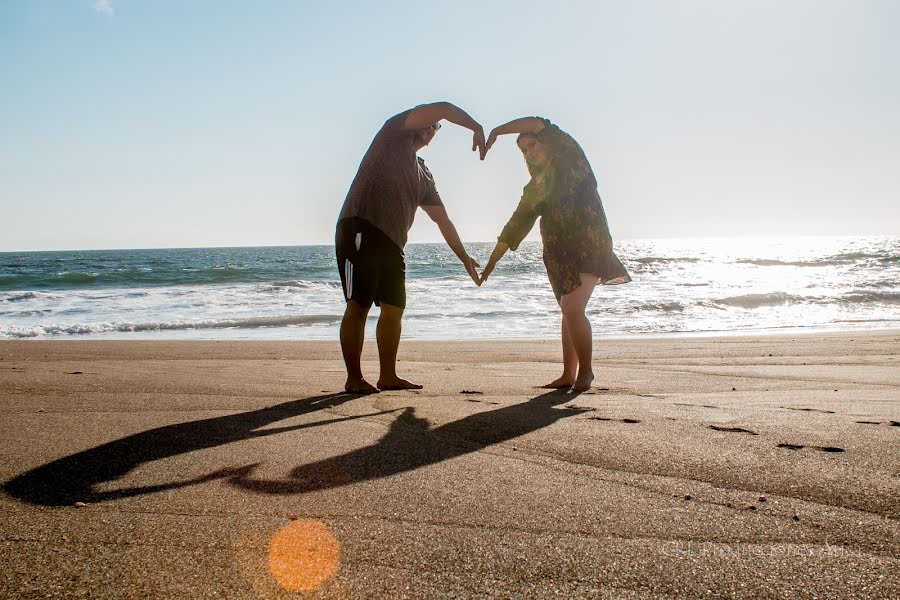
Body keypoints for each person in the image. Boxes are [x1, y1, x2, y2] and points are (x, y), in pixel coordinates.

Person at [336, 102, 486, 394]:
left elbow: (443, 221)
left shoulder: (424, 174)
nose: (432, 127)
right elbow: (443, 107)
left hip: (392, 243)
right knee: (359, 305)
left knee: (394, 308)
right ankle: (354, 378)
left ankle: (388, 376)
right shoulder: (392, 136)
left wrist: (465, 258)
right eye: (429, 122)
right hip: (360, 228)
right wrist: (476, 127)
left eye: (436, 127)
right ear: (414, 122)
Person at [479, 117, 631, 391]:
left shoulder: (572, 161)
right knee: (568, 311)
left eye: (532, 145)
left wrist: (497, 131)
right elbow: (514, 227)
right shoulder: (537, 186)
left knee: (572, 308)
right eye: (523, 150)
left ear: (548, 143)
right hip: (558, 256)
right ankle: (567, 374)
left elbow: (539, 122)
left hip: (588, 246)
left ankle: (586, 372)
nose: (529, 152)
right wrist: (490, 265)